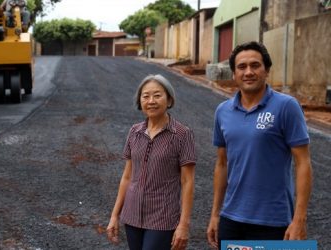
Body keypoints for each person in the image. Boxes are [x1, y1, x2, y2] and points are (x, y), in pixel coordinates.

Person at [206, 41, 313, 249]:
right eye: (241, 67)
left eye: (255, 65)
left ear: (267, 71)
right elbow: (221, 164)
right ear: (234, 74)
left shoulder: (286, 106)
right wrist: (215, 214)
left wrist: (299, 219)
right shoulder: (223, 111)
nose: (248, 72)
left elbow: (303, 163)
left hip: (274, 221)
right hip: (231, 218)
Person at [106, 74, 197, 250]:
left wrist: (184, 225)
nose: (151, 101)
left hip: (162, 218)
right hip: (132, 215)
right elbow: (127, 177)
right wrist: (114, 215)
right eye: (146, 96)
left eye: (157, 95)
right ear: (140, 101)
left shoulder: (182, 134)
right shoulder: (135, 132)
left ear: (169, 100)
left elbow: (188, 182)